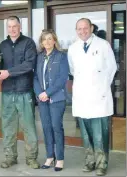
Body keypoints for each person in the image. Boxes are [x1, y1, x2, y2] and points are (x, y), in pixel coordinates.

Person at [68, 18, 117, 176]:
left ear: (91, 28)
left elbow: (111, 68)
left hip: (99, 97)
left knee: (100, 134)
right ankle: (90, 161)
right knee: (86, 133)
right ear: (76, 30)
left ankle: (102, 163)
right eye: (79, 29)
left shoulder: (103, 45)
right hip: (82, 97)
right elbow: (73, 70)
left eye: (85, 28)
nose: (82, 31)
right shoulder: (73, 48)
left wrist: (101, 86)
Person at [0, 16, 40, 169]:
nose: (12, 29)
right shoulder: (3, 45)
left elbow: (29, 65)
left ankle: (31, 158)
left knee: (29, 127)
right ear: (7, 28)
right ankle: (10, 157)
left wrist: (8, 72)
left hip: (24, 92)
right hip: (7, 92)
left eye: (15, 26)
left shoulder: (28, 43)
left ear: (20, 27)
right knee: (8, 127)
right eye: (9, 26)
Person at [33, 29, 69, 171]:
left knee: (56, 127)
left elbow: (62, 78)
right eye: (44, 39)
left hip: (57, 99)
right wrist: (39, 93)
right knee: (46, 128)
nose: (47, 42)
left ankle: (59, 158)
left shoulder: (61, 56)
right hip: (42, 99)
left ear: (54, 40)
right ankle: (49, 157)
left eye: (50, 39)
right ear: (41, 42)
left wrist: (47, 93)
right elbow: (35, 77)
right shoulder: (39, 57)